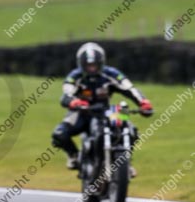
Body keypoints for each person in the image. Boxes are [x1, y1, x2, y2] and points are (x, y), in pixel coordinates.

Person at [52, 42, 153, 170]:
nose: (91, 68)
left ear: (101, 62)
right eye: (88, 65)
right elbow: (66, 95)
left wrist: (143, 102)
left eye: (94, 65)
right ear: (81, 64)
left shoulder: (112, 73)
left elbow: (130, 88)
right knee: (60, 134)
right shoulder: (74, 76)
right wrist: (74, 102)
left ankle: (126, 162)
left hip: (107, 111)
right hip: (82, 112)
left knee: (131, 130)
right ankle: (74, 156)